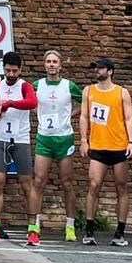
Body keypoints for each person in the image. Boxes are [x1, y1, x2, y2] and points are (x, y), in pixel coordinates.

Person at [0, 51, 39, 245]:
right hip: (1, 138)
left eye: (15, 71)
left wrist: (10, 104)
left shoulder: (25, 86)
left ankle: (33, 228)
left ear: (20, 70)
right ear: (3, 68)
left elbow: (32, 102)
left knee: (26, 184)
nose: (11, 74)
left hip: (21, 139)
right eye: (8, 70)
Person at [80, 56, 132, 247]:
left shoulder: (121, 93)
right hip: (98, 146)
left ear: (110, 71)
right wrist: (84, 140)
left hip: (118, 146)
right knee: (94, 185)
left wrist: (131, 141)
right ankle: (89, 230)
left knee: (121, 187)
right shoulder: (89, 91)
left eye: (101, 68)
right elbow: (84, 116)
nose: (97, 71)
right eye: (96, 68)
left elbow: (129, 118)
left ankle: (120, 232)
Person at [31, 48, 82, 244]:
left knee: (67, 183)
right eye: (48, 62)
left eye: (55, 62)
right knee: (39, 181)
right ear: (44, 65)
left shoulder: (69, 86)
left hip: (64, 137)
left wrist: (71, 115)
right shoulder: (37, 85)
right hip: (44, 137)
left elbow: (83, 102)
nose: (51, 65)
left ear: (60, 66)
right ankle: (34, 225)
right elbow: (28, 101)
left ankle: (69, 226)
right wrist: (37, 113)